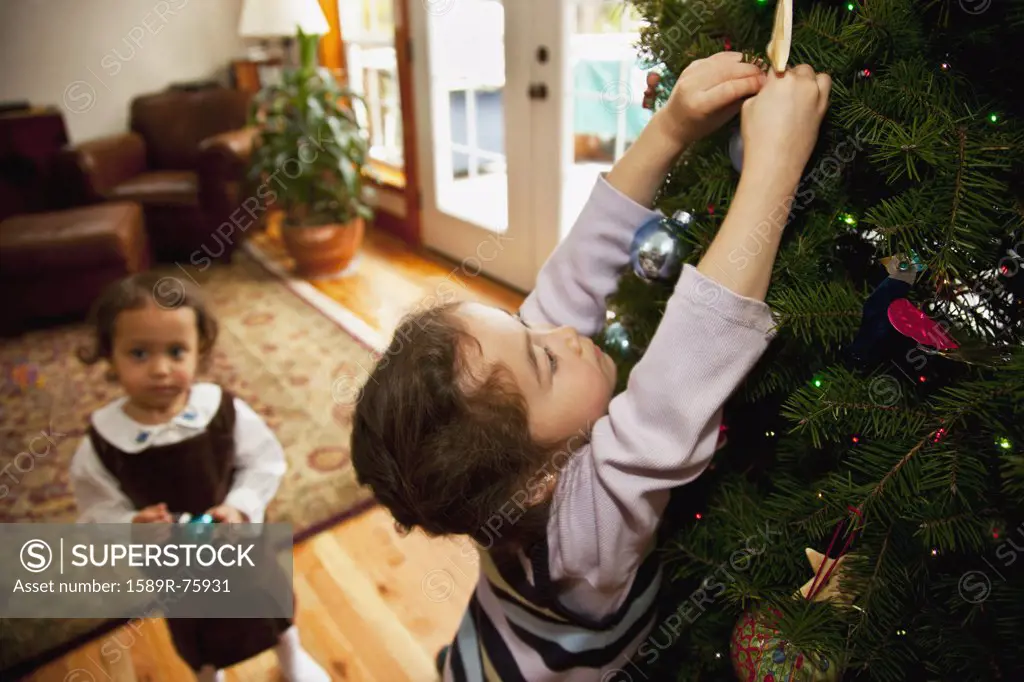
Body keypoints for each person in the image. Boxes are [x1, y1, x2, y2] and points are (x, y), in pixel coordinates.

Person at [351, 52, 831, 680]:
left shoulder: (501, 473)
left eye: (526, 327)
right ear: (537, 486)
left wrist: (672, 127)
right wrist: (775, 167)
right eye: (544, 358)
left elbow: (570, 278)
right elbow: (676, 383)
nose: (562, 330)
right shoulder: (582, 533)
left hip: (491, 635)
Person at [69, 273, 329, 682]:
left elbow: (264, 462)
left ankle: (290, 653)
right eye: (138, 353)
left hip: (239, 543)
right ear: (110, 354)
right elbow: (96, 513)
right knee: (197, 626)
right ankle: (208, 673)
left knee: (268, 601)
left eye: (176, 352)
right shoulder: (103, 442)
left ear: (199, 351)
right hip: (175, 568)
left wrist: (240, 506)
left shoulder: (221, 410)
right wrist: (131, 529)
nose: (160, 369)